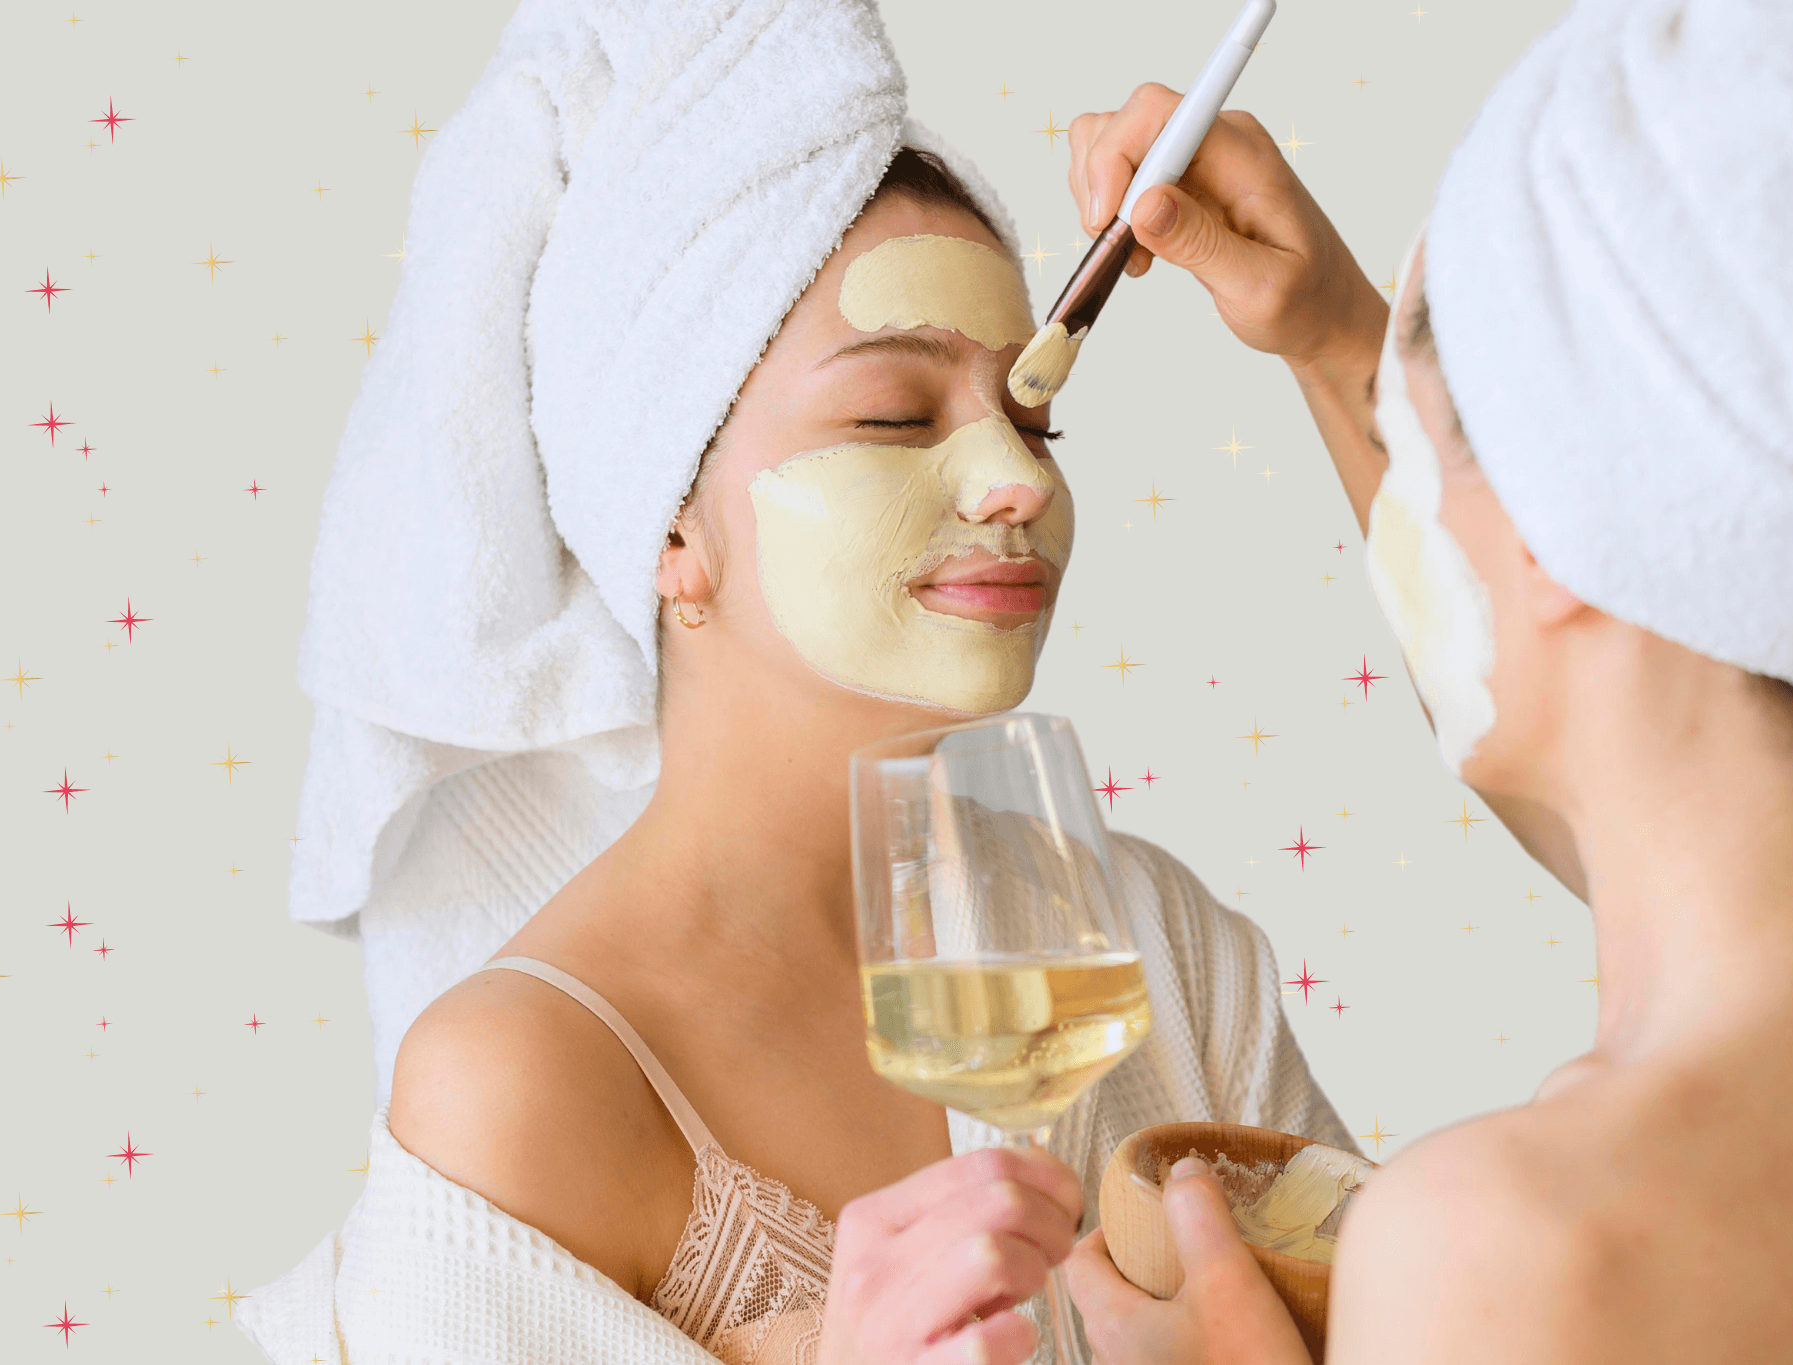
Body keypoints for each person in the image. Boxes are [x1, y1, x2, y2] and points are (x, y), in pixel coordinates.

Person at [236, 2, 1347, 1363]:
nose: (1017, 482)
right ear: (667, 533)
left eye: (1036, 417)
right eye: (893, 416)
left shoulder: (1146, 946)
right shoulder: (521, 1089)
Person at [1043, 0, 1793, 1360]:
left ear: (1577, 520)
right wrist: (1343, 338)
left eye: (1424, 435)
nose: (1400, 512)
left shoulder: (1508, 1245)